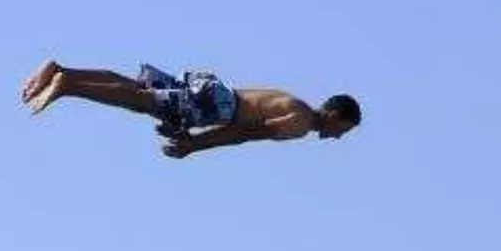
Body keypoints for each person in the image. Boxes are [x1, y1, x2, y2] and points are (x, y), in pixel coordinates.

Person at [21, 59, 361, 158]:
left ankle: (62, 71)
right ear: (334, 115)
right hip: (215, 104)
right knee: (142, 102)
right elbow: (243, 132)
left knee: (137, 89)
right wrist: (193, 146)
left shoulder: (296, 104)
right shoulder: (300, 122)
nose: (337, 137)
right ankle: (67, 86)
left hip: (212, 92)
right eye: (342, 130)